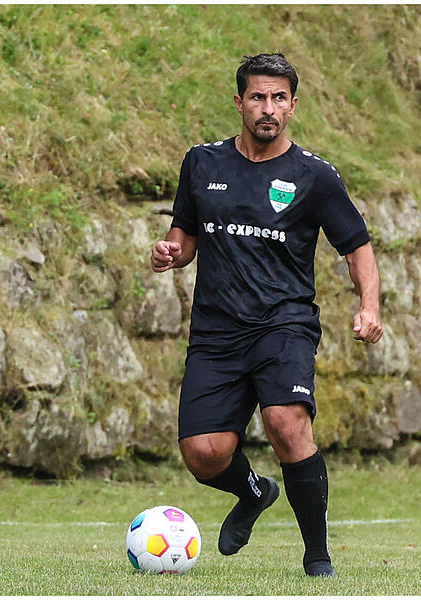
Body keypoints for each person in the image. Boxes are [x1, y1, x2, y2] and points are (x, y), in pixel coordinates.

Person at [150, 53, 382, 578]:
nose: (268, 108)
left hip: (284, 323)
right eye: (258, 97)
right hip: (216, 330)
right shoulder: (202, 163)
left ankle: (317, 557)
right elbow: (184, 235)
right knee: (203, 454)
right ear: (239, 103)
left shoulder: (314, 175)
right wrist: (169, 252)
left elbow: (357, 247)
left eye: (279, 98)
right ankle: (254, 493)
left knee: (286, 421)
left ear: (293, 106)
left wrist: (368, 305)